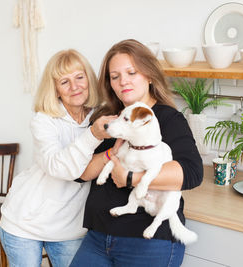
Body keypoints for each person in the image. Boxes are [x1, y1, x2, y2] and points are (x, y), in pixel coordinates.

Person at [70, 39, 203, 267]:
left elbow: (191, 172)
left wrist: (130, 178)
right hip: (98, 236)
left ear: (149, 75)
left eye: (132, 72)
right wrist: (112, 150)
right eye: (115, 76)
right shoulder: (107, 119)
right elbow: (80, 172)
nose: (123, 81)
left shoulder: (168, 119)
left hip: (147, 240)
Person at [0, 49, 115, 267]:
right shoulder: (44, 121)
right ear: (55, 90)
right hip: (24, 223)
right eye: (64, 82)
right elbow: (59, 167)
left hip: (71, 229)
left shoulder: (99, 116)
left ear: (88, 79)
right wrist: (92, 136)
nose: (74, 87)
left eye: (79, 77)